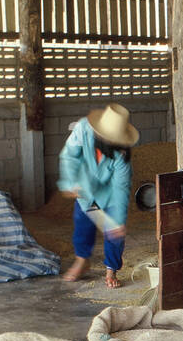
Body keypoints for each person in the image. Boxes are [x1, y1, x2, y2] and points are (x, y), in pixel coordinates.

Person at [57, 103, 138, 289]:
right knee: (82, 222)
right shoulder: (82, 129)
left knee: (114, 231)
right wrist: (70, 183)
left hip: (110, 194)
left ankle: (111, 269)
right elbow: (69, 156)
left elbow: (121, 188)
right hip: (85, 187)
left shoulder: (121, 155)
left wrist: (117, 220)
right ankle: (82, 260)